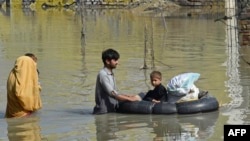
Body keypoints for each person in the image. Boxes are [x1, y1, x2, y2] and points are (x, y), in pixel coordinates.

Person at [93, 48, 141, 114]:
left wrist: (128, 96)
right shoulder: (103, 74)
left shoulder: (110, 74)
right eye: (115, 60)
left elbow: (114, 92)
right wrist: (131, 99)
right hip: (103, 113)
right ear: (107, 61)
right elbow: (113, 94)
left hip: (111, 111)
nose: (117, 62)